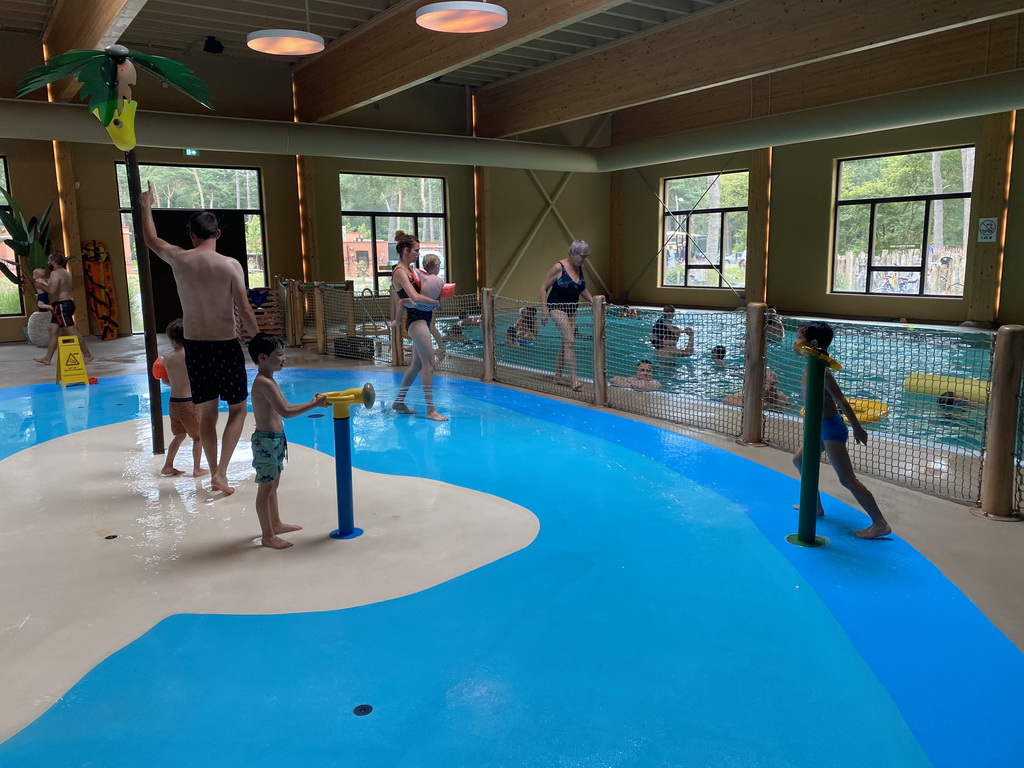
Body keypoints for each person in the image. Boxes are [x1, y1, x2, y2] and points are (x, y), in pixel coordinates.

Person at [140, 181, 260, 495]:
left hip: (195, 347)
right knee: (238, 410)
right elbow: (245, 311)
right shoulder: (230, 265)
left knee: (208, 413)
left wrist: (145, 206)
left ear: (192, 235)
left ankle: (214, 471)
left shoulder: (180, 259)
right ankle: (220, 471)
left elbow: (151, 239)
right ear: (217, 234)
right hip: (226, 345)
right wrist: (260, 342)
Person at [791, 321, 891, 539]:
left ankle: (880, 523)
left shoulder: (823, 371)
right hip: (817, 427)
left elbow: (841, 401)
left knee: (847, 479)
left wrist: (857, 428)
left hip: (830, 429)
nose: (795, 342)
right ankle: (814, 506)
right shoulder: (811, 365)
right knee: (799, 460)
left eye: (799, 338)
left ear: (813, 344)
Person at [248, 332, 329, 549]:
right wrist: (314, 405)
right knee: (265, 489)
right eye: (279, 355)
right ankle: (267, 536)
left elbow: (286, 407)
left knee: (273, 485)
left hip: (274, 439)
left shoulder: (270, 381)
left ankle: (276, 523)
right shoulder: (263, 382)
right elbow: (286, 412)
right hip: (265, 441)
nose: (283, 359)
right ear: (263, 357)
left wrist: (311, 401)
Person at [389, 231, 446, 421]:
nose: (418, 254)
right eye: (416, 250)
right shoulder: (400, 272)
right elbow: (413, 297)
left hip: (424, 319)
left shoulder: (413, 271)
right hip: (416, 321)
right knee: (429, 364)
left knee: (416, 365)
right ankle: (430, 410)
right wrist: (434, 302)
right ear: (406, 251)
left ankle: (398, 401)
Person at [539, 239, 594, 390]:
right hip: (556, 306)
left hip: (572, 308)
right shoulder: (558, 267)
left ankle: (558, 376)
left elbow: (581, 288)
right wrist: (544, 311)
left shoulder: (579, 267)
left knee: (565, 343)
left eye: (586, 256)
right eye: (582, 256)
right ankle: (574, 380)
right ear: (573, 253)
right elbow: (543, 288)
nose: (583, 259)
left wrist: (594, 302)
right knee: (570, 342)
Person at [157, 319, 207, 478]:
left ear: (172, 340)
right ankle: (197, 469)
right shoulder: (192, 356)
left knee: (179, 435)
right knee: (198, 437)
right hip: (188, 403)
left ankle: (168, 466)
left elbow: (166, 381)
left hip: (174, 403)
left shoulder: (166, 358)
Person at [33, 253, 94, 366]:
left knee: (71, 331)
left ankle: (87, 355)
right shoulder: (64, 272)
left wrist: (38, 285)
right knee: (53, 331)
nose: (47, 263)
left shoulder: (56, 273)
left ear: (53, 262)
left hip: (62, 305)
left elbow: (51, 291)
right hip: (63, 305)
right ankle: (47, 358)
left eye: (49, 261)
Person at [391, 252, 447, 361]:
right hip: (430, 306)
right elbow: (442, 296)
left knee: (402, 302)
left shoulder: (423, 277)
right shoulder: (440, 281)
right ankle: (434, 347)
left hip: (419, 304)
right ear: (437, 267)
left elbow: (415, 275)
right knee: (428, 327)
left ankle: (396, 321)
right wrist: (439, 305)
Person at [722, 367, 789, 408]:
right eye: (771, 384)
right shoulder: (749, 393)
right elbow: (726, 400)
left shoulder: (780, 397)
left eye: (775, 383)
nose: (774, 387)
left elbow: (789, 406)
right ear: (761, 383)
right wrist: (753, 406)